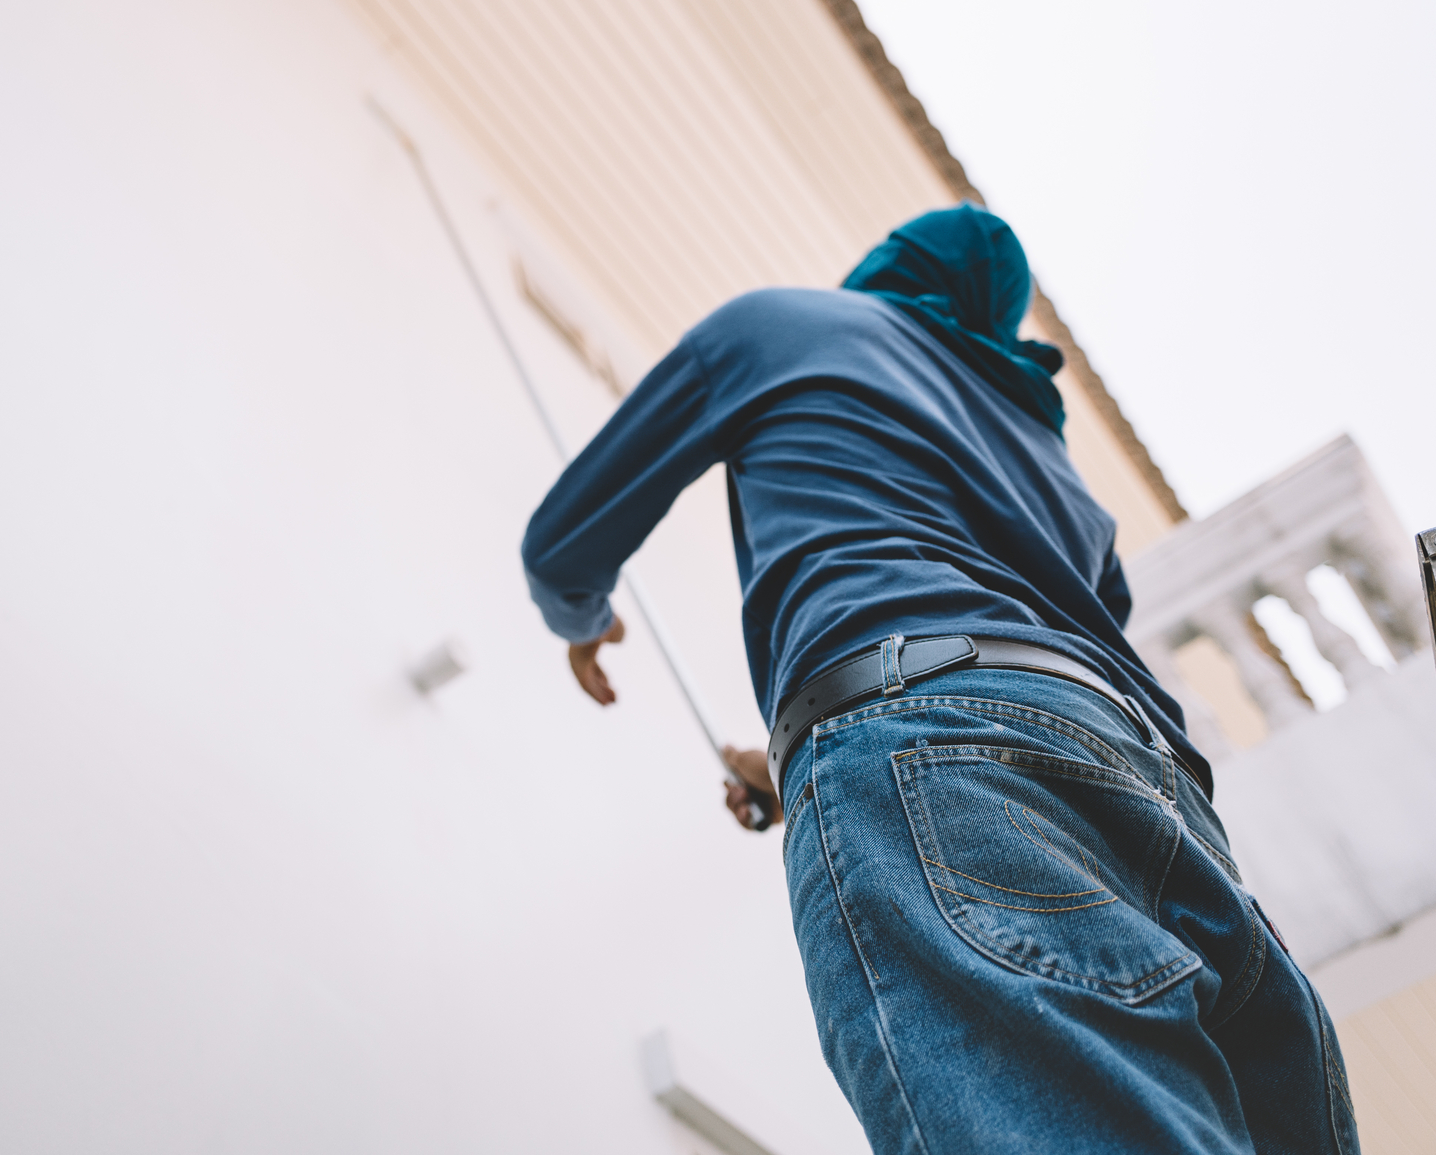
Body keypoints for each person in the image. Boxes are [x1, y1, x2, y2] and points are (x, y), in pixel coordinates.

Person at [520, 205, 1358, 1154]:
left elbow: (561, 547)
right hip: (1160, 799)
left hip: (924, 743)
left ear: (890, 263)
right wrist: (802, 755)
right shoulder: (1057, 469)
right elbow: (1038, 675)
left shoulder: (781, 327)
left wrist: (587, 621)